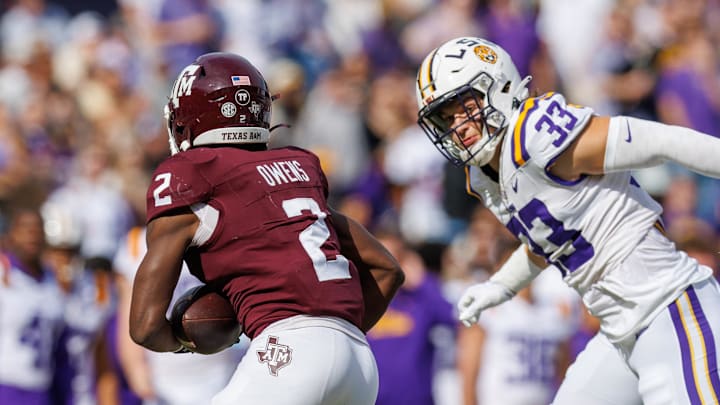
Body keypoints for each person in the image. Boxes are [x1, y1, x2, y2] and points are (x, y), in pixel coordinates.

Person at [415, 36, 720, 404]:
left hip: (670, 308)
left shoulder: (534, 134)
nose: (458, 126)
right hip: (617, 333)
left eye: (464, 108)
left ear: (499, 86)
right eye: (446, 119)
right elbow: (549, 239)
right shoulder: (484, 175)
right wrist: (501, 286)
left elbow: (661, 141)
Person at [129, 52, 405, 405]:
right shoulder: (296, 169)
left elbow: (144, 326)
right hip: (360, 363)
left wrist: (186, 342)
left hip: (286, 352)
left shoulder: (192, 173)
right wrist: (333, 338)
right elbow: (387, 270)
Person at [0, 206, 66, 405]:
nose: (32, 235)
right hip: (7, 385)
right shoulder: (4, 274)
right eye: (25, 229)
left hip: (42, 388)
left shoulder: (52, 279)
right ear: (12, 234)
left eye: (38, 229)